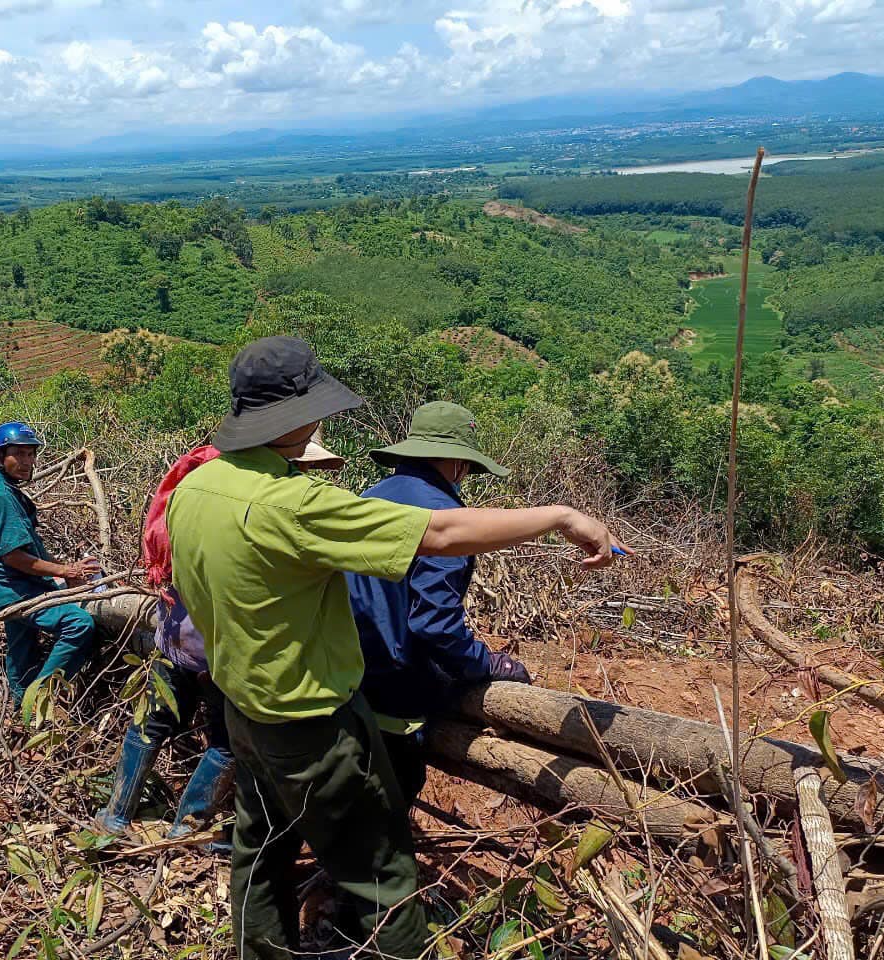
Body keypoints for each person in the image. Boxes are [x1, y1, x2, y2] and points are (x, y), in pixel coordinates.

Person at [166, 336, 628, 960]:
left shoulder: (200, 484)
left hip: (242, 712)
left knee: (262, 853)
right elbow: (439, 533)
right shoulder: (289, 502)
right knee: (383, 875)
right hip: (311, 726)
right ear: (300, 414)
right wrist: (560, 516)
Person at [97, 435, 349, 842]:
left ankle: (115, 815)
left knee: (150, 724)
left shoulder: (197, 490)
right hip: (225, 653)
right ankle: (186, 827)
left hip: (176, 638)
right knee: (226, 741)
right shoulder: (271, 507)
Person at [346, 401, 533, 808]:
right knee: (389, 798)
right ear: (457, 463)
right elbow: (433, 624)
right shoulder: (446, 520)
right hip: (391, 684)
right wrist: (486, 664)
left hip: (341, 670)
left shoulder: (368, 497)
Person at [0, 421, 101, 705]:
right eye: (19, 454)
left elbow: (28, 547)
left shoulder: (3, 489)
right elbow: (13, 556)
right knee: (79, 624)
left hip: (13, 588)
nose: (27, 462)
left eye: (31, 454)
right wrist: (65, 571)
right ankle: (40, 699)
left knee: (23, 652)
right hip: (19, 591)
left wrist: (66, 565)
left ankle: (19, 708)